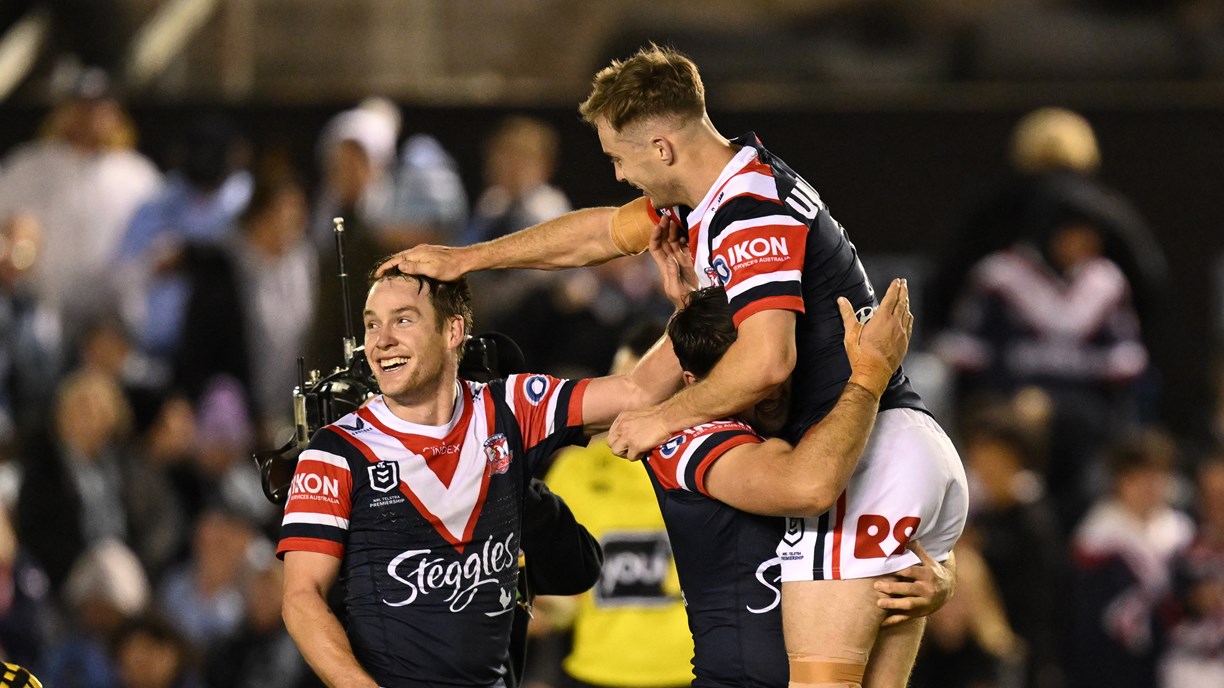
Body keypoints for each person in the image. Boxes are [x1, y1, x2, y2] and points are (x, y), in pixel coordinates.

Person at [380, 43, 960, 681]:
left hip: (861, 446)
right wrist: (468, 259)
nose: (621, 177)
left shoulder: (747, 213)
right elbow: (599, 236)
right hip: (892, 446)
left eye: (619, 158)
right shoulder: (719, 194)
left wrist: (664, 418)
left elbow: (768, 361)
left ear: (661, 148)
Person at [277, 266, 681, 687]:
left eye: (403, 319)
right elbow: (302, 598)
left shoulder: (512, 407)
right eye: (372, 324)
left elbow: (637, 391)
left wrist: (690, 301)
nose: (381, 341)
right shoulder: (337, 450)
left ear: (453, 332)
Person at [645, 281, 961, 687]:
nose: (770, 390)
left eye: (767, 365)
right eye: (746, 380)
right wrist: (869, 376)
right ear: (695, 385)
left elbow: (897, 523)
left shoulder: (816, 430)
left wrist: (940, 579)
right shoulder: (687, 441)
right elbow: (809, 488)